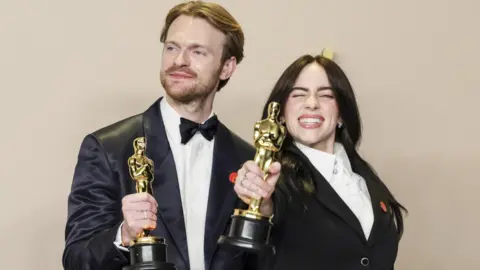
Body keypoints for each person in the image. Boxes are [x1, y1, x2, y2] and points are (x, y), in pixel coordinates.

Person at [62, 1, 258, 270]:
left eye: (197, 51)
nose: (179, 61)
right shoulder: (107, 148)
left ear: (227, 67)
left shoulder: (248, 159)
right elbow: (77, 260)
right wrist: (124, 235)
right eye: (172, 48)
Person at [234, 53, 408, 269]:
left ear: (342, 113)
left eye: (326, 95)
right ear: (280, 114)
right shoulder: (272, 179)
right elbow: (264, 222)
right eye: (298, 94)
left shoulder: (365, 180)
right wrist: (261, 203)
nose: (312, 103)